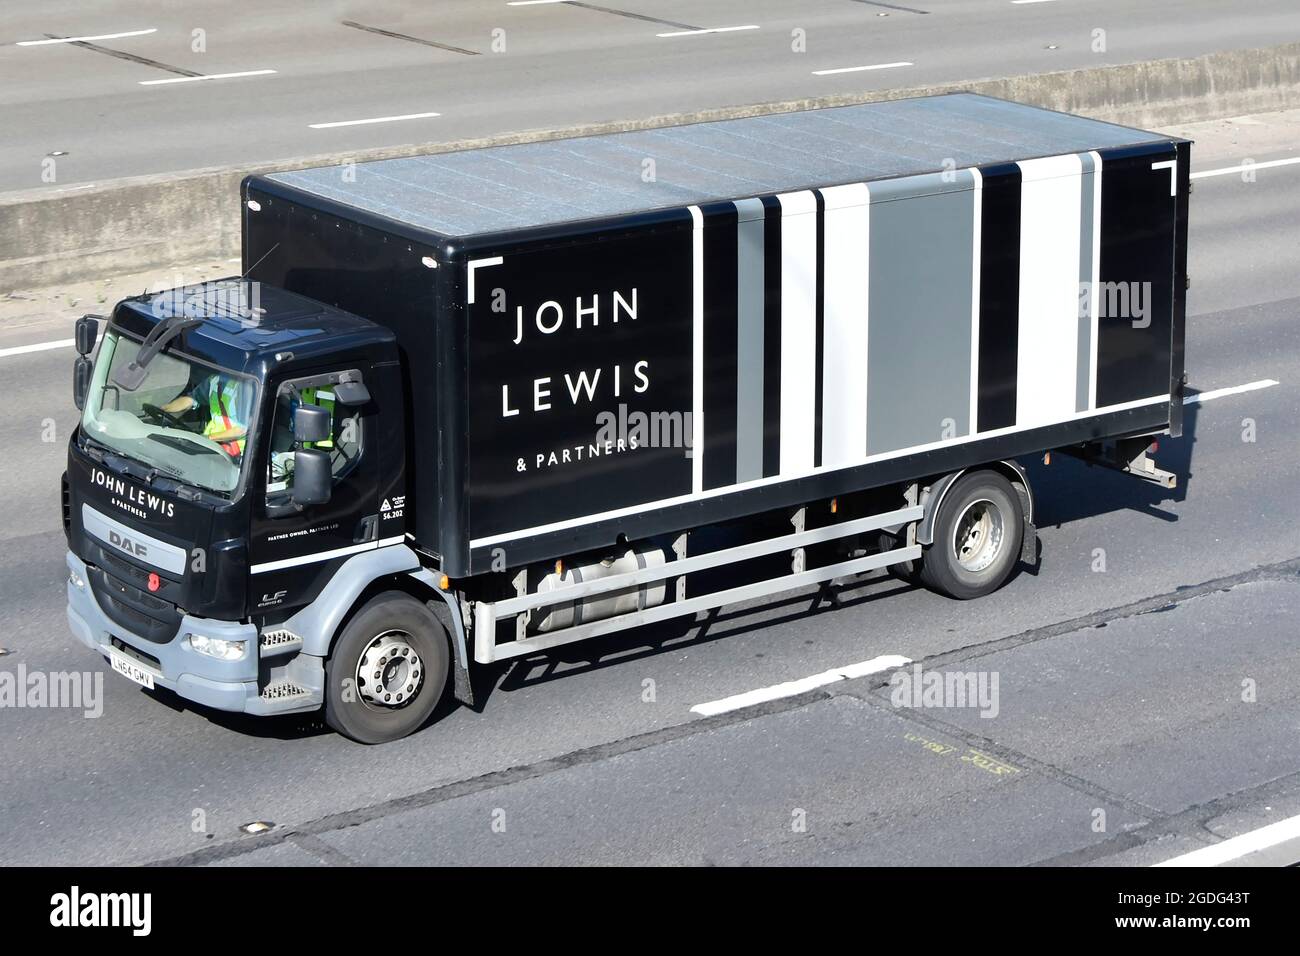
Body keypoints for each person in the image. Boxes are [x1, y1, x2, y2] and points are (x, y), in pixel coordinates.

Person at [160, 372, 249, 457]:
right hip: (213, 446)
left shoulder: (244, 387)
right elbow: (191, 400)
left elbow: (242, 430)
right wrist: (166, 409)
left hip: (236, 453)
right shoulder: (214, 380)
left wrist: (207, 438)